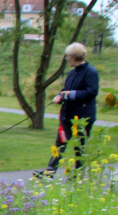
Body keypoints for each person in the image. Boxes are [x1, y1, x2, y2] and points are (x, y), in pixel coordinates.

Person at [33, 42, 99, 178]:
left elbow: (91, 92)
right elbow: (65, 90)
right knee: (60, 144)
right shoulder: (72, 73)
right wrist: (60, 96)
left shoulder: (90, 72)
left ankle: (78, 176)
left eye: (68, 56)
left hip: (82, 118)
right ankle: (49, 173)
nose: (66, 59)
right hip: (67, 116)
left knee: (79, 147)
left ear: (74, 57)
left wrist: (69, 94)